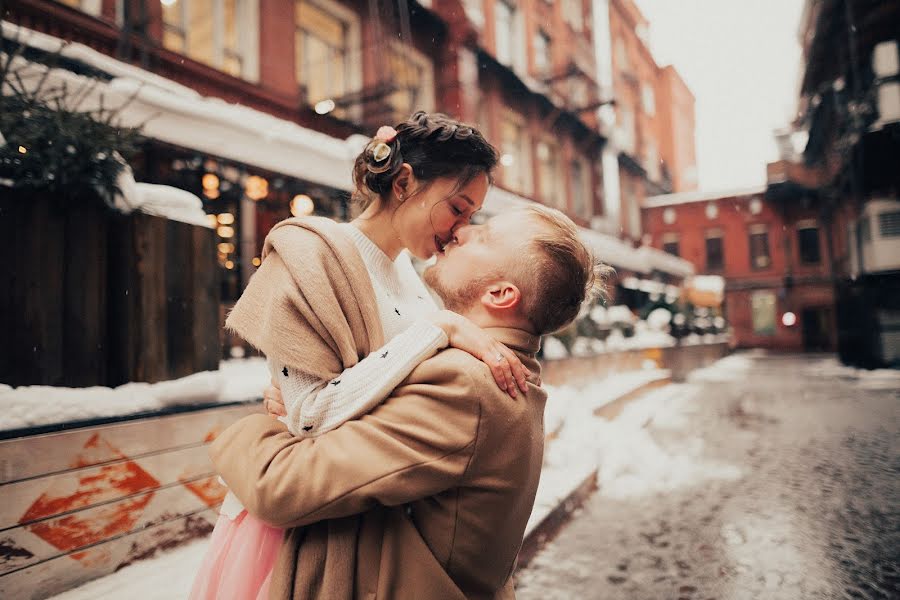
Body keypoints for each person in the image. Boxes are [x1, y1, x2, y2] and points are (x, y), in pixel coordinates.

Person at [190, 112, 531, 600]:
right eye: (457, 208)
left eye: (471, 216)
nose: (461, 229)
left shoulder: (415, 278)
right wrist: (437, 330)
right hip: (300, 531)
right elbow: (309, 417)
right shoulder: (311, 258)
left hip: (377, 528)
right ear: (406, 181)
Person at [210, 205, 608, 599]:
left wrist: (255, 430)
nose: (461, 231)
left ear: (500, 294)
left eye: (484, 236)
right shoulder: (498, 375)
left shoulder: (465, 387)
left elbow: (281, 486)